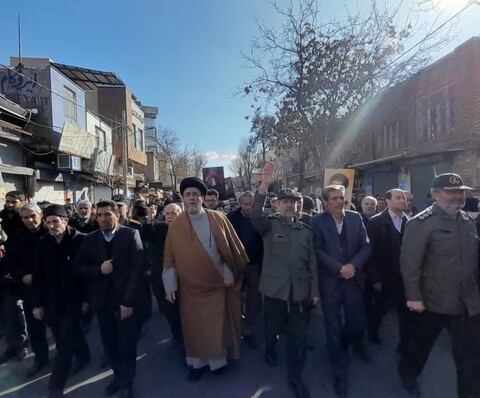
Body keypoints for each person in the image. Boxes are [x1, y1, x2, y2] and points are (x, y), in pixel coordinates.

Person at [399, 173, 480, 398]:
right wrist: (413, 296)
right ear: (435, 195)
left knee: (470, 357)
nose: (458, 196)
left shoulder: (467, 221)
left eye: (461, 191)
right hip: (433, 302)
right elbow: (410, 264)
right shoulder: (421, 223)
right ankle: (408, 372)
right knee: (419, 347)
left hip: (467, 303)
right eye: (451, 191)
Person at [163, 177, 248, 382]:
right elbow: (169, 258)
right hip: (189, 290)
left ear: (202, 197)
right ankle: (197, 364)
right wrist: (170, 285)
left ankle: (218, 363)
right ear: (183, 199)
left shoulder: (219, 218)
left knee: (217, 328)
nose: (191, 198)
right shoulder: (176, 226)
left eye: (195, 195)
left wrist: (229, 274)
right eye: (187, 195)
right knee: (194, 330)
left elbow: (231, 252)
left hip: (218, 286)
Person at [251, 168, 319, 398]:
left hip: (299, 293)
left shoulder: (307, 232)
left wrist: (315, 292)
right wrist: (263, 187)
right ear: (277, 205)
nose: (290, 205)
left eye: (294, 202)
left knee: (298, 339)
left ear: (300, 205)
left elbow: (313, 264)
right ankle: (270, 348)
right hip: (273, 291)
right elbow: (255, 214)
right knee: (272, 328)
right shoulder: (269, 225)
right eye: (285, 202)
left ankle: (295, 379)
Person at [75, 200, 144, 398]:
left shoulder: (130, 234)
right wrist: (99, 270)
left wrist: (128, 302)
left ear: (117, 215)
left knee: (126, 346)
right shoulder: (90, 239)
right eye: (99, 215)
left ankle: (127, 384)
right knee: (110, 344)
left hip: (125, 301)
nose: (103, 219)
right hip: (102, 303)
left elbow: (137, 270)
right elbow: (78, 268)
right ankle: (118, 377)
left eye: (107, 214)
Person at [311, 185, 372, 398]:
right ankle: (339, 373)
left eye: (341, 197)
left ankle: (347, 346)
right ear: (325, 203)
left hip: (353, 281)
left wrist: (352, 266)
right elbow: (317, 251)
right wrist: (338, 268)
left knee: (357, 323)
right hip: (331, 283)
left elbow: (366, 246)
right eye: (334, 198)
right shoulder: (316, 221)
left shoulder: (355, 218)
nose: (339, 201)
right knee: (333, 327)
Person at [32, 205, 90, 398]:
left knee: (64, 343)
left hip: (75, 300)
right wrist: (37, 304)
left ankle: (56, 386)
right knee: (65, 335)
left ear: (65, 221)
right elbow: (38, 276)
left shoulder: (81, 240)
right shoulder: (42, 243)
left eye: (55, 221)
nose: (51, 226)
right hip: (52, 301)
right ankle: (84, 355)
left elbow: (89, 274)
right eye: (48, 222)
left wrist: (86, 299)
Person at [1, 203, 50, 376]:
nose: (29, 220)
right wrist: (22, 276)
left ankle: (69, 357)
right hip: (29, 290)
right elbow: (8, 264)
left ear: (40, 214)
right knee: (35, 329)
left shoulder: (52, 231)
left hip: (53, 289)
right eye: (25, 218)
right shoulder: (17, 237)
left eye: (32, 216)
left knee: (61, 328)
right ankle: (41, 359)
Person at [365, 189, 411, 350]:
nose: (402, 201)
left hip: (405, 277)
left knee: (406, 314)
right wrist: (375, 278)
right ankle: (372, 332)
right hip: (385, 276)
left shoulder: (410, 222)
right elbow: (371, 252)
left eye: (404, 198)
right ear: (388, 201)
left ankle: (404, 345)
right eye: (398, 198)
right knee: (380, 309)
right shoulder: (376, 222)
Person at [227, 191, 264, 350]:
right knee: (235, 297)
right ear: (239, 203)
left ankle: (249, 331)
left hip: (255, 263)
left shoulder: (261, 217)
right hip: (236, 264)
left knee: (254, 299)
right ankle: (236, 328)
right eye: (245, 204)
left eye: (251, 204)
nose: (248, 207)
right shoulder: (231, 218)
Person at [148, 203, 183, 345]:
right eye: (167, 214)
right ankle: (177, 336)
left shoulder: (187, 229)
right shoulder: (158, 228)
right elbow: (144, 232)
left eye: (173, 213)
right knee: (170, 311)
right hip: (162, 279)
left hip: (183, 278)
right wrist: (149, 219)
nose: (169, 216)